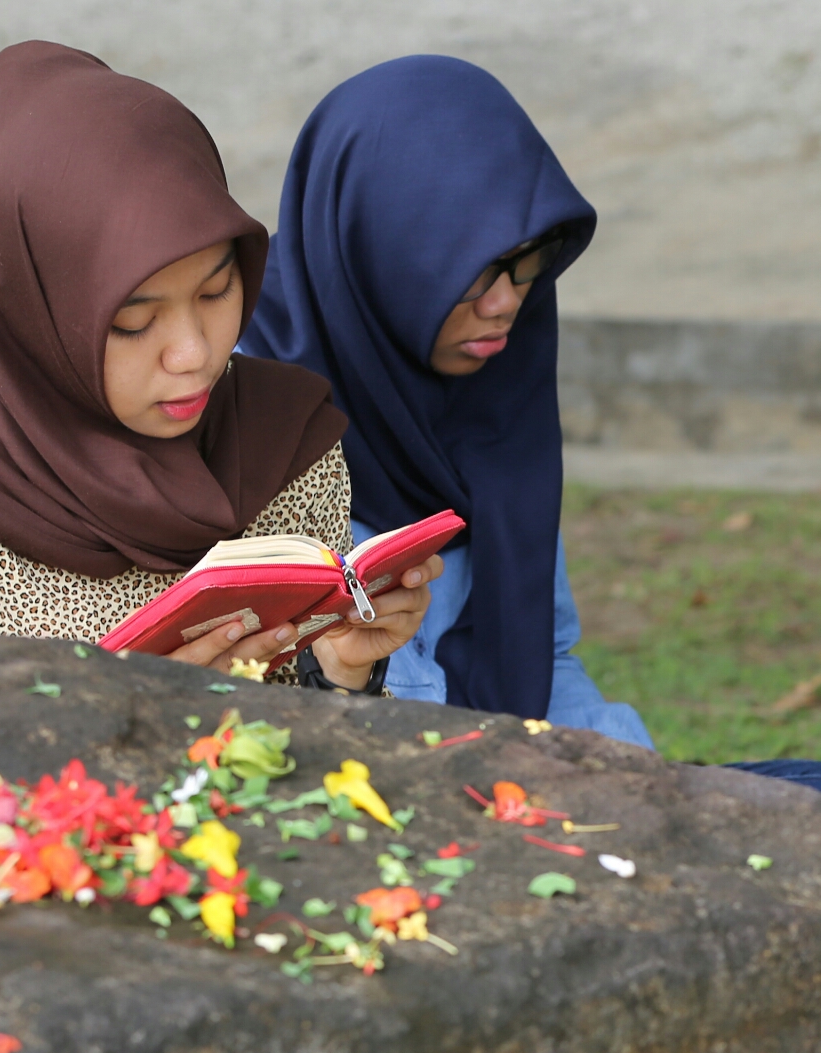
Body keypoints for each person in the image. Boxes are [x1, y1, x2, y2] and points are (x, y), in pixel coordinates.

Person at [0, 42, 434, 687]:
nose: (194, 354)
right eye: (134, 322)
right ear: (29, 310)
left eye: (217, 291)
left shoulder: (283, 452)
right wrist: (114, 718)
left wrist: (342, 673)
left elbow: (308, 764)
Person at [240, 57, 649, 744]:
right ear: (380, 245)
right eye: (477, 269)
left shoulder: (493, 373)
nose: (507, 304)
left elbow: (546, 661)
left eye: (530, 262)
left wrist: (638, 784)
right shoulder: (233, 401)